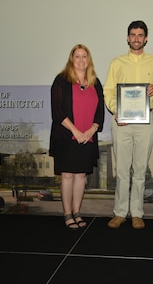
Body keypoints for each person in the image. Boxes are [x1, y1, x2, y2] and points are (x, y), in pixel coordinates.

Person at [104, 20, 153, 229]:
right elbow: (109, 92)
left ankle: (138, 213)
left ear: (146, 38)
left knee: (140, 170)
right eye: (133, 35)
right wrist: (117, 111)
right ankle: (120, 213)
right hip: (121, 123)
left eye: (140, 35)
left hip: (145, 121)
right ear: (127, 37)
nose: (136, 39)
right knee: (122, 170)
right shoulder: (117, 62)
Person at [49, 44, 104, 230]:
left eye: (84, 56)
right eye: (77, 56)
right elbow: (57, 111)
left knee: (81, 176)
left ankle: (77, 211)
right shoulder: (61, 80)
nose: (81, 60)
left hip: (88, 138)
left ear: (89, 60)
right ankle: (67, 214)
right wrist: (75, 131)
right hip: (67, 137)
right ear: (71, 59)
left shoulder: (95, 82)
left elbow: (100, 113)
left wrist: (91, 130)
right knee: (67, 175)